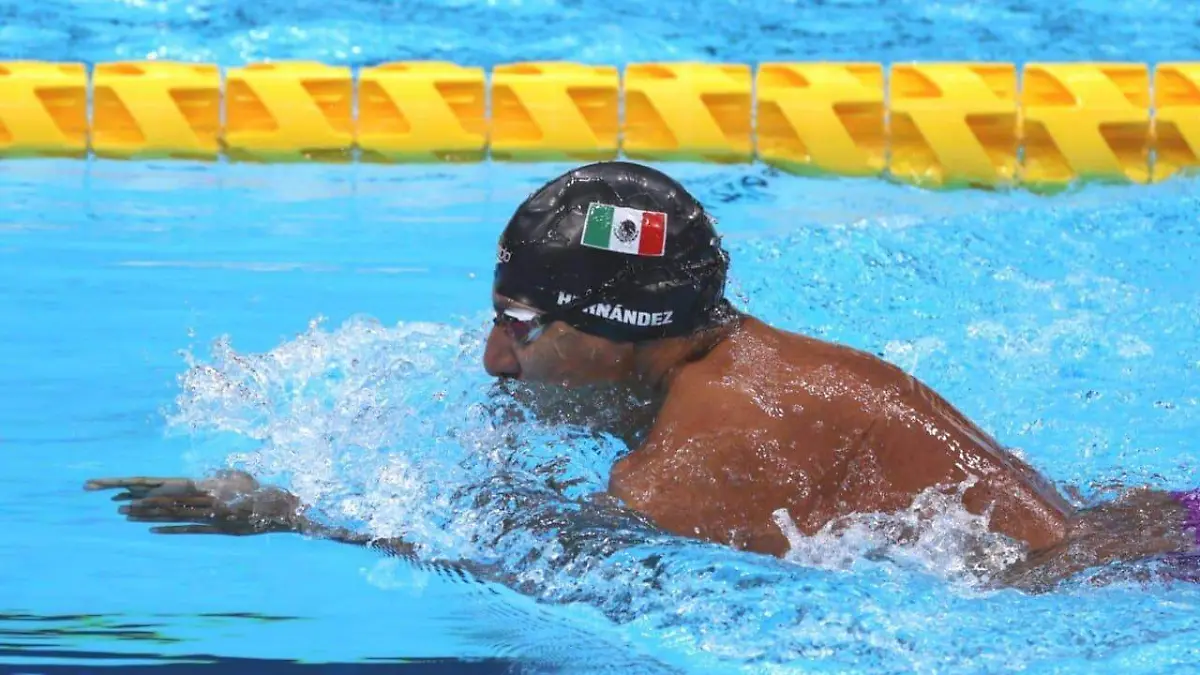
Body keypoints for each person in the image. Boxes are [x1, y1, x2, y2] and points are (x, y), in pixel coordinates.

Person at [86, 161, 1199, 591]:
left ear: (623, 332)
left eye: (524, 325)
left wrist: (299, 517)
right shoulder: (738, 361)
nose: (494, 358)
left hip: (1099, 598)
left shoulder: (719, 432)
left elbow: (554, 572)